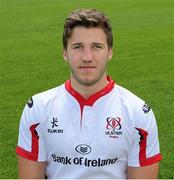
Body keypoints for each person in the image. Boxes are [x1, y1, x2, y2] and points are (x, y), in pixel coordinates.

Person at [16, 8, 162, 179]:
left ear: (110, 52)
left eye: (97, 47)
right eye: (78, 47)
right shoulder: (38, 109)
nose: (87, 57)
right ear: (65, 53)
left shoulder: (138, 113)